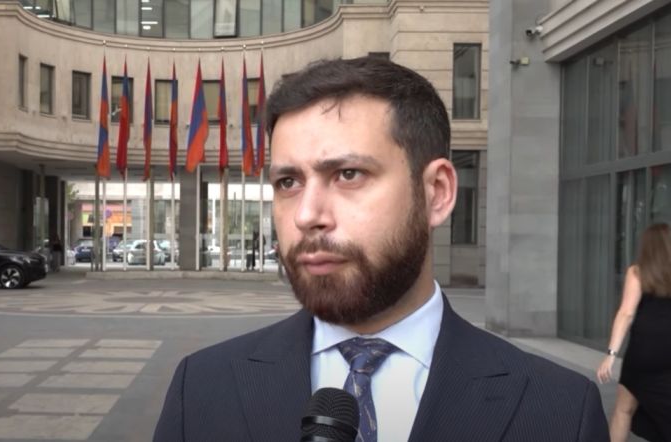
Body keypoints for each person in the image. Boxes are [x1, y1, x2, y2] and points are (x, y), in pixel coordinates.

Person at [154, 57, 608, 441]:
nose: (307, 215)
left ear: (437, 193)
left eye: (348, 174)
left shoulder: (560, 411)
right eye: (288, 182)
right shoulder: (202, 389)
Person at [596, 223, 671, 442]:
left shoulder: (638, 272)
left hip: (642, 352)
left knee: (623, 410)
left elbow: (626, 313)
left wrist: (611, 355)